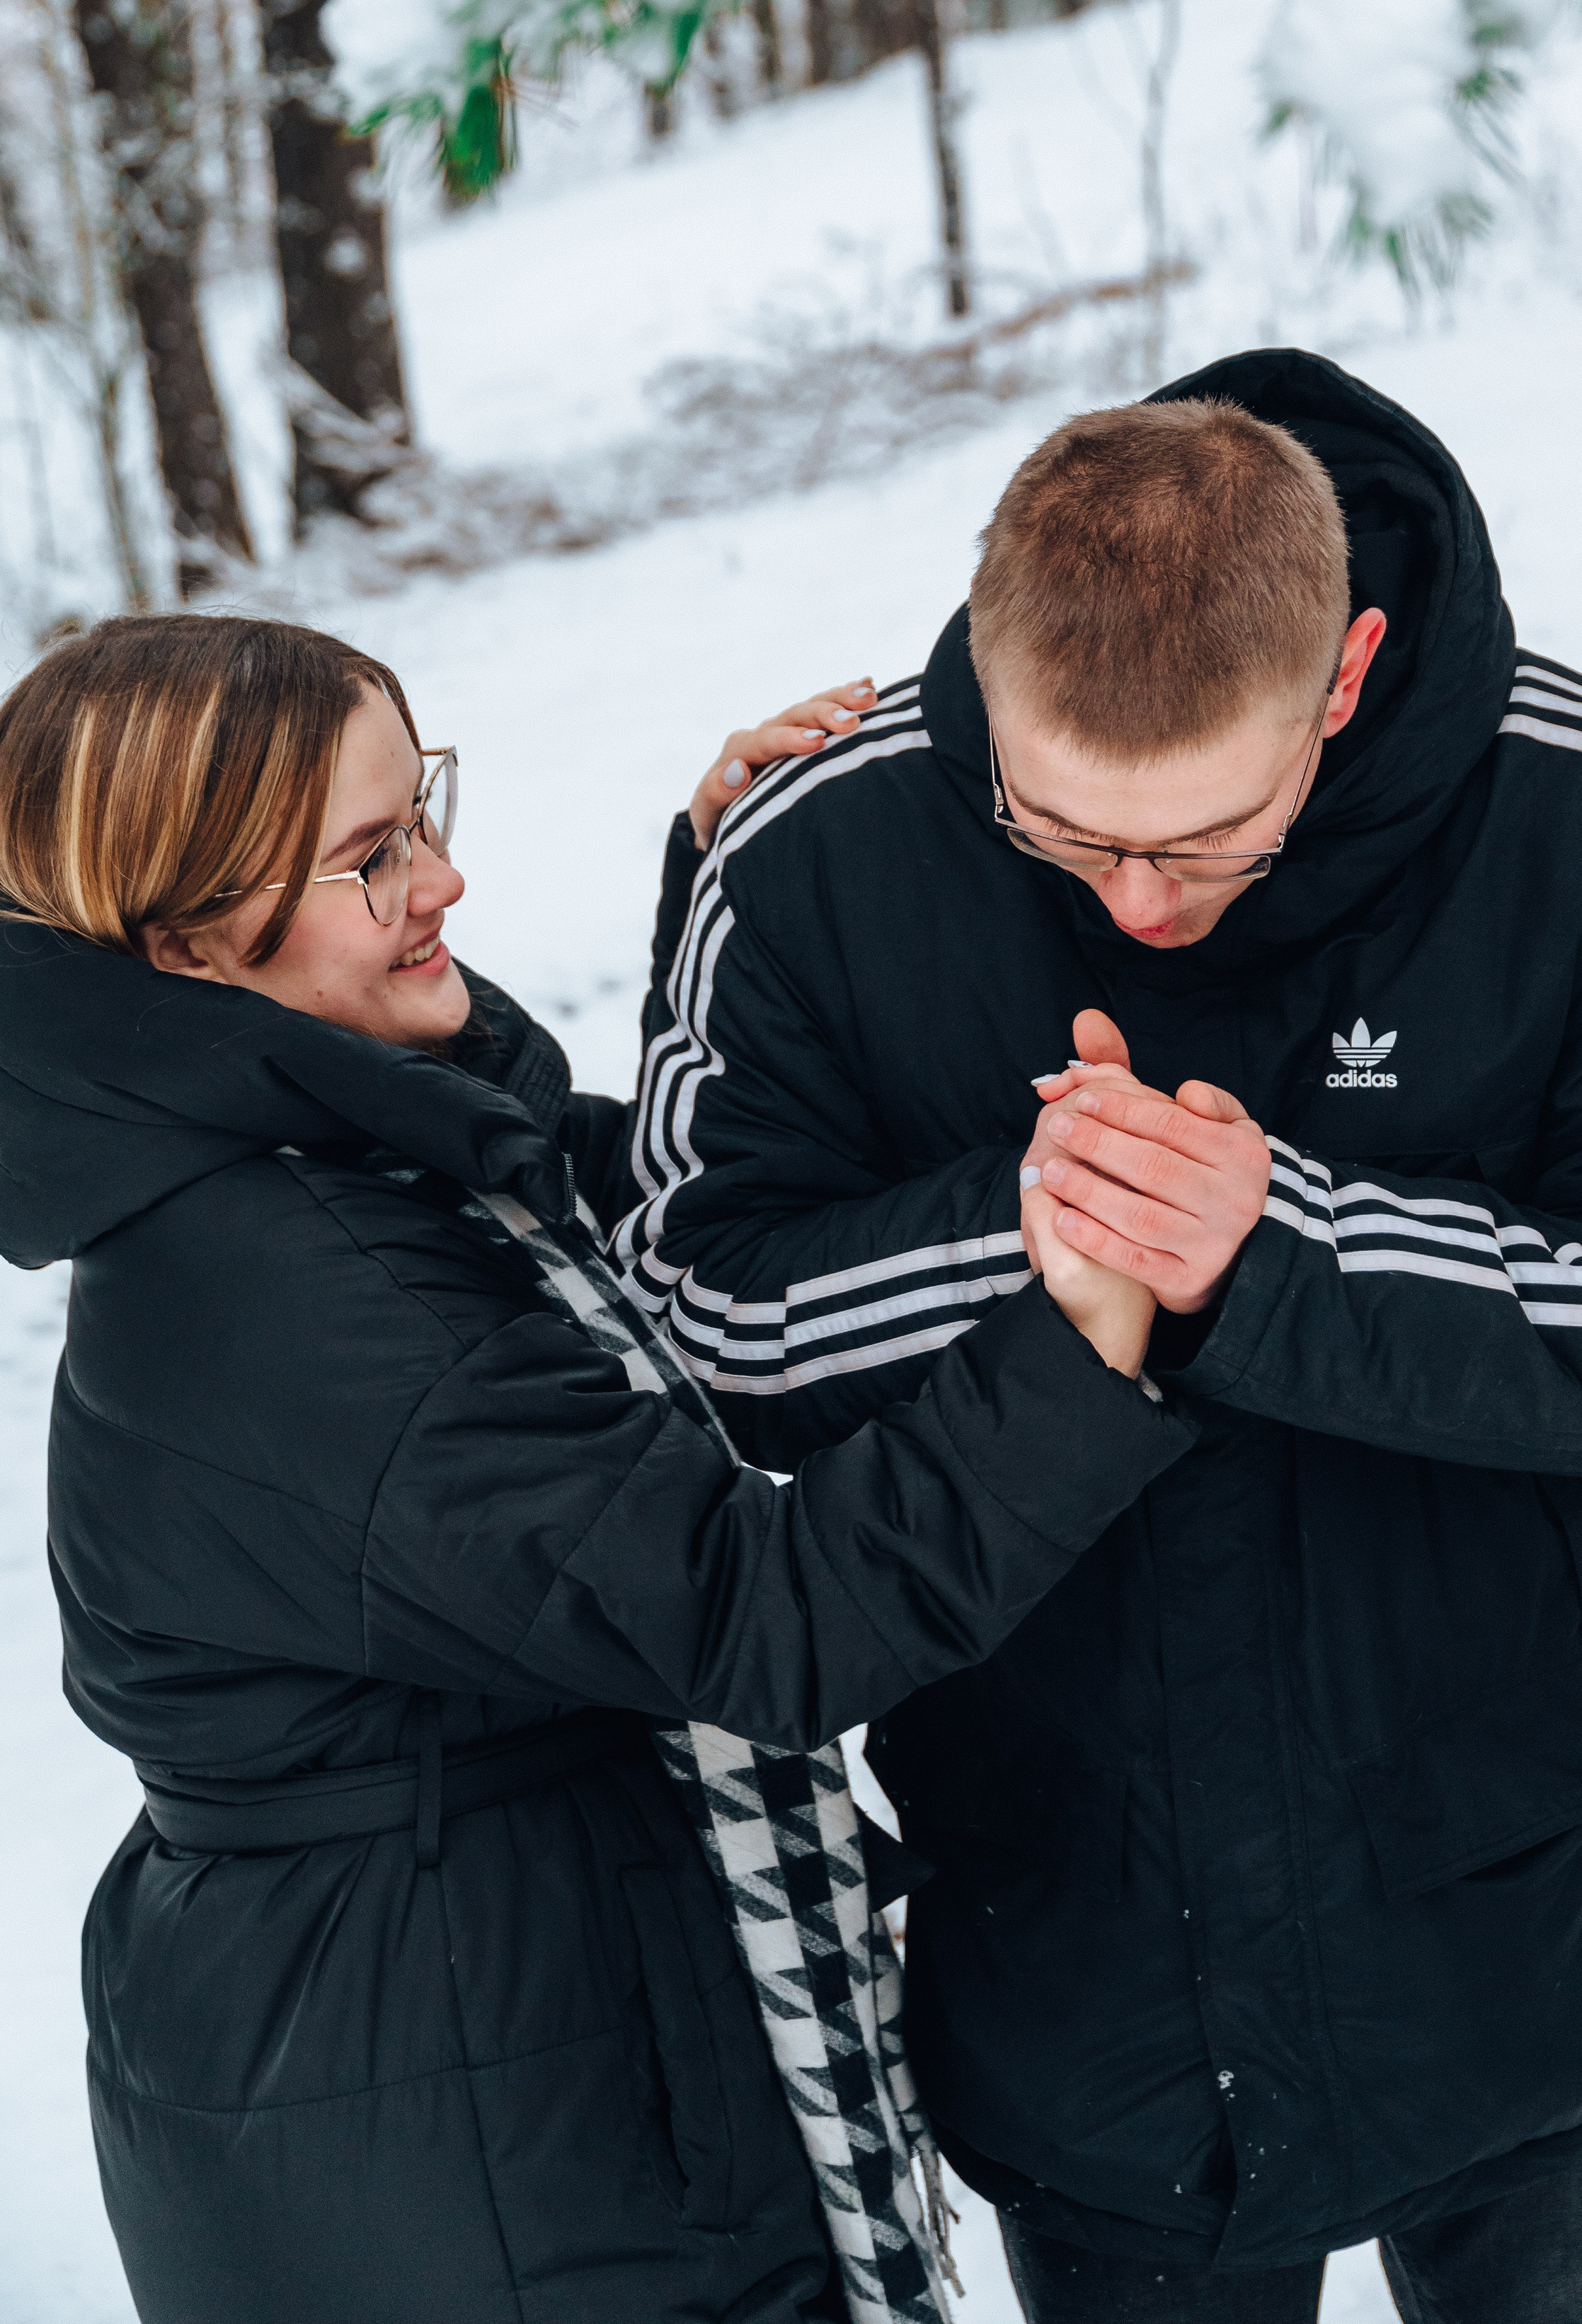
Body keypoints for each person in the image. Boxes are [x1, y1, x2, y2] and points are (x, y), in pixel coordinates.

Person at [615, 349, 1582, 2324]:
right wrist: (1044, 1223)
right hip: (1076, 1945)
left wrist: (1284, 1247)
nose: (1139, 902)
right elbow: (698, 1314)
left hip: (1525, 1928)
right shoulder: (817, 846)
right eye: (1064, 835)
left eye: (1210, 839)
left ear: (1342, 680)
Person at [0, 613, 1200, 2324]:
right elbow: (769, 1621)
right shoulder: (304, 1295)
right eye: (370, 858)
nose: (444, 884)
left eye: (419, 808)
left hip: (463, 2012)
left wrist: (719, 909)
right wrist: (1080, 1336)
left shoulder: (320, 1147)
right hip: (478, 2128)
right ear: (186, 940)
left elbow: (635, 1220)